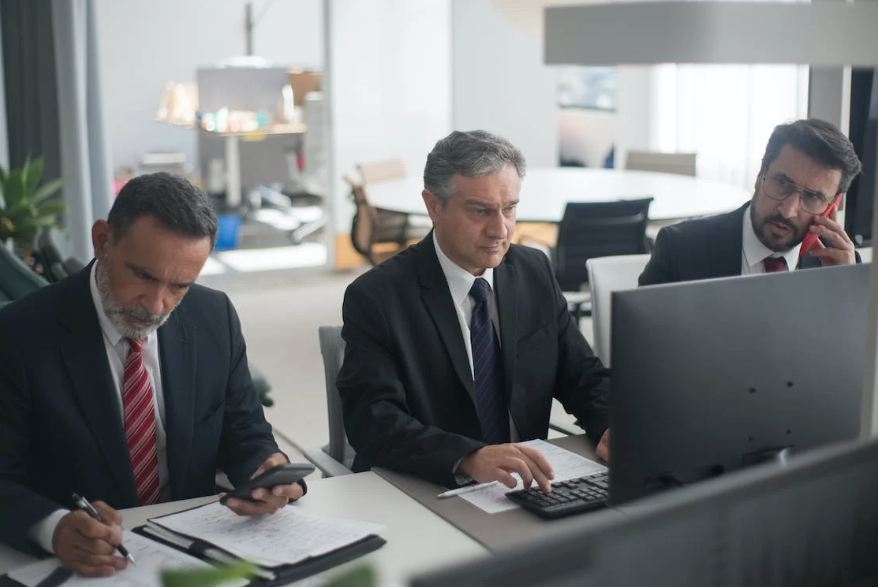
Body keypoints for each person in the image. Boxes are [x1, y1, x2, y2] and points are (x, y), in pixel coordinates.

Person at [0, 173, 305, 577]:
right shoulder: (19, 333)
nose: (156, 306)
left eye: (180, 286)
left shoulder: (213, 316)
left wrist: (265, 470)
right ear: (103, 240)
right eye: (143, 276)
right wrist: (52, 527)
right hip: (84, 565)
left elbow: (243, 427)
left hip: (197, 555)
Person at [337, 130, 610, 492]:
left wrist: (609, 423)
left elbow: (581, 375)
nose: (500, 230)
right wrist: (466, 457)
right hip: (430, 488)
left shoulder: (534, 271)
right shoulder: (377, 296)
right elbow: (372, 420)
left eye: (509, 208)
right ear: (434, 205)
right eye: (481, 211)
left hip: (526, 486)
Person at [639, 118, 863, 286]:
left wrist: (846, 291)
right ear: (760, 174)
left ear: (831, 206)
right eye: (782, 183)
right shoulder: (680, 249)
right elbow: (640, 344)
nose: (788, 211)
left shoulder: (840, 266)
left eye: (813, 197)